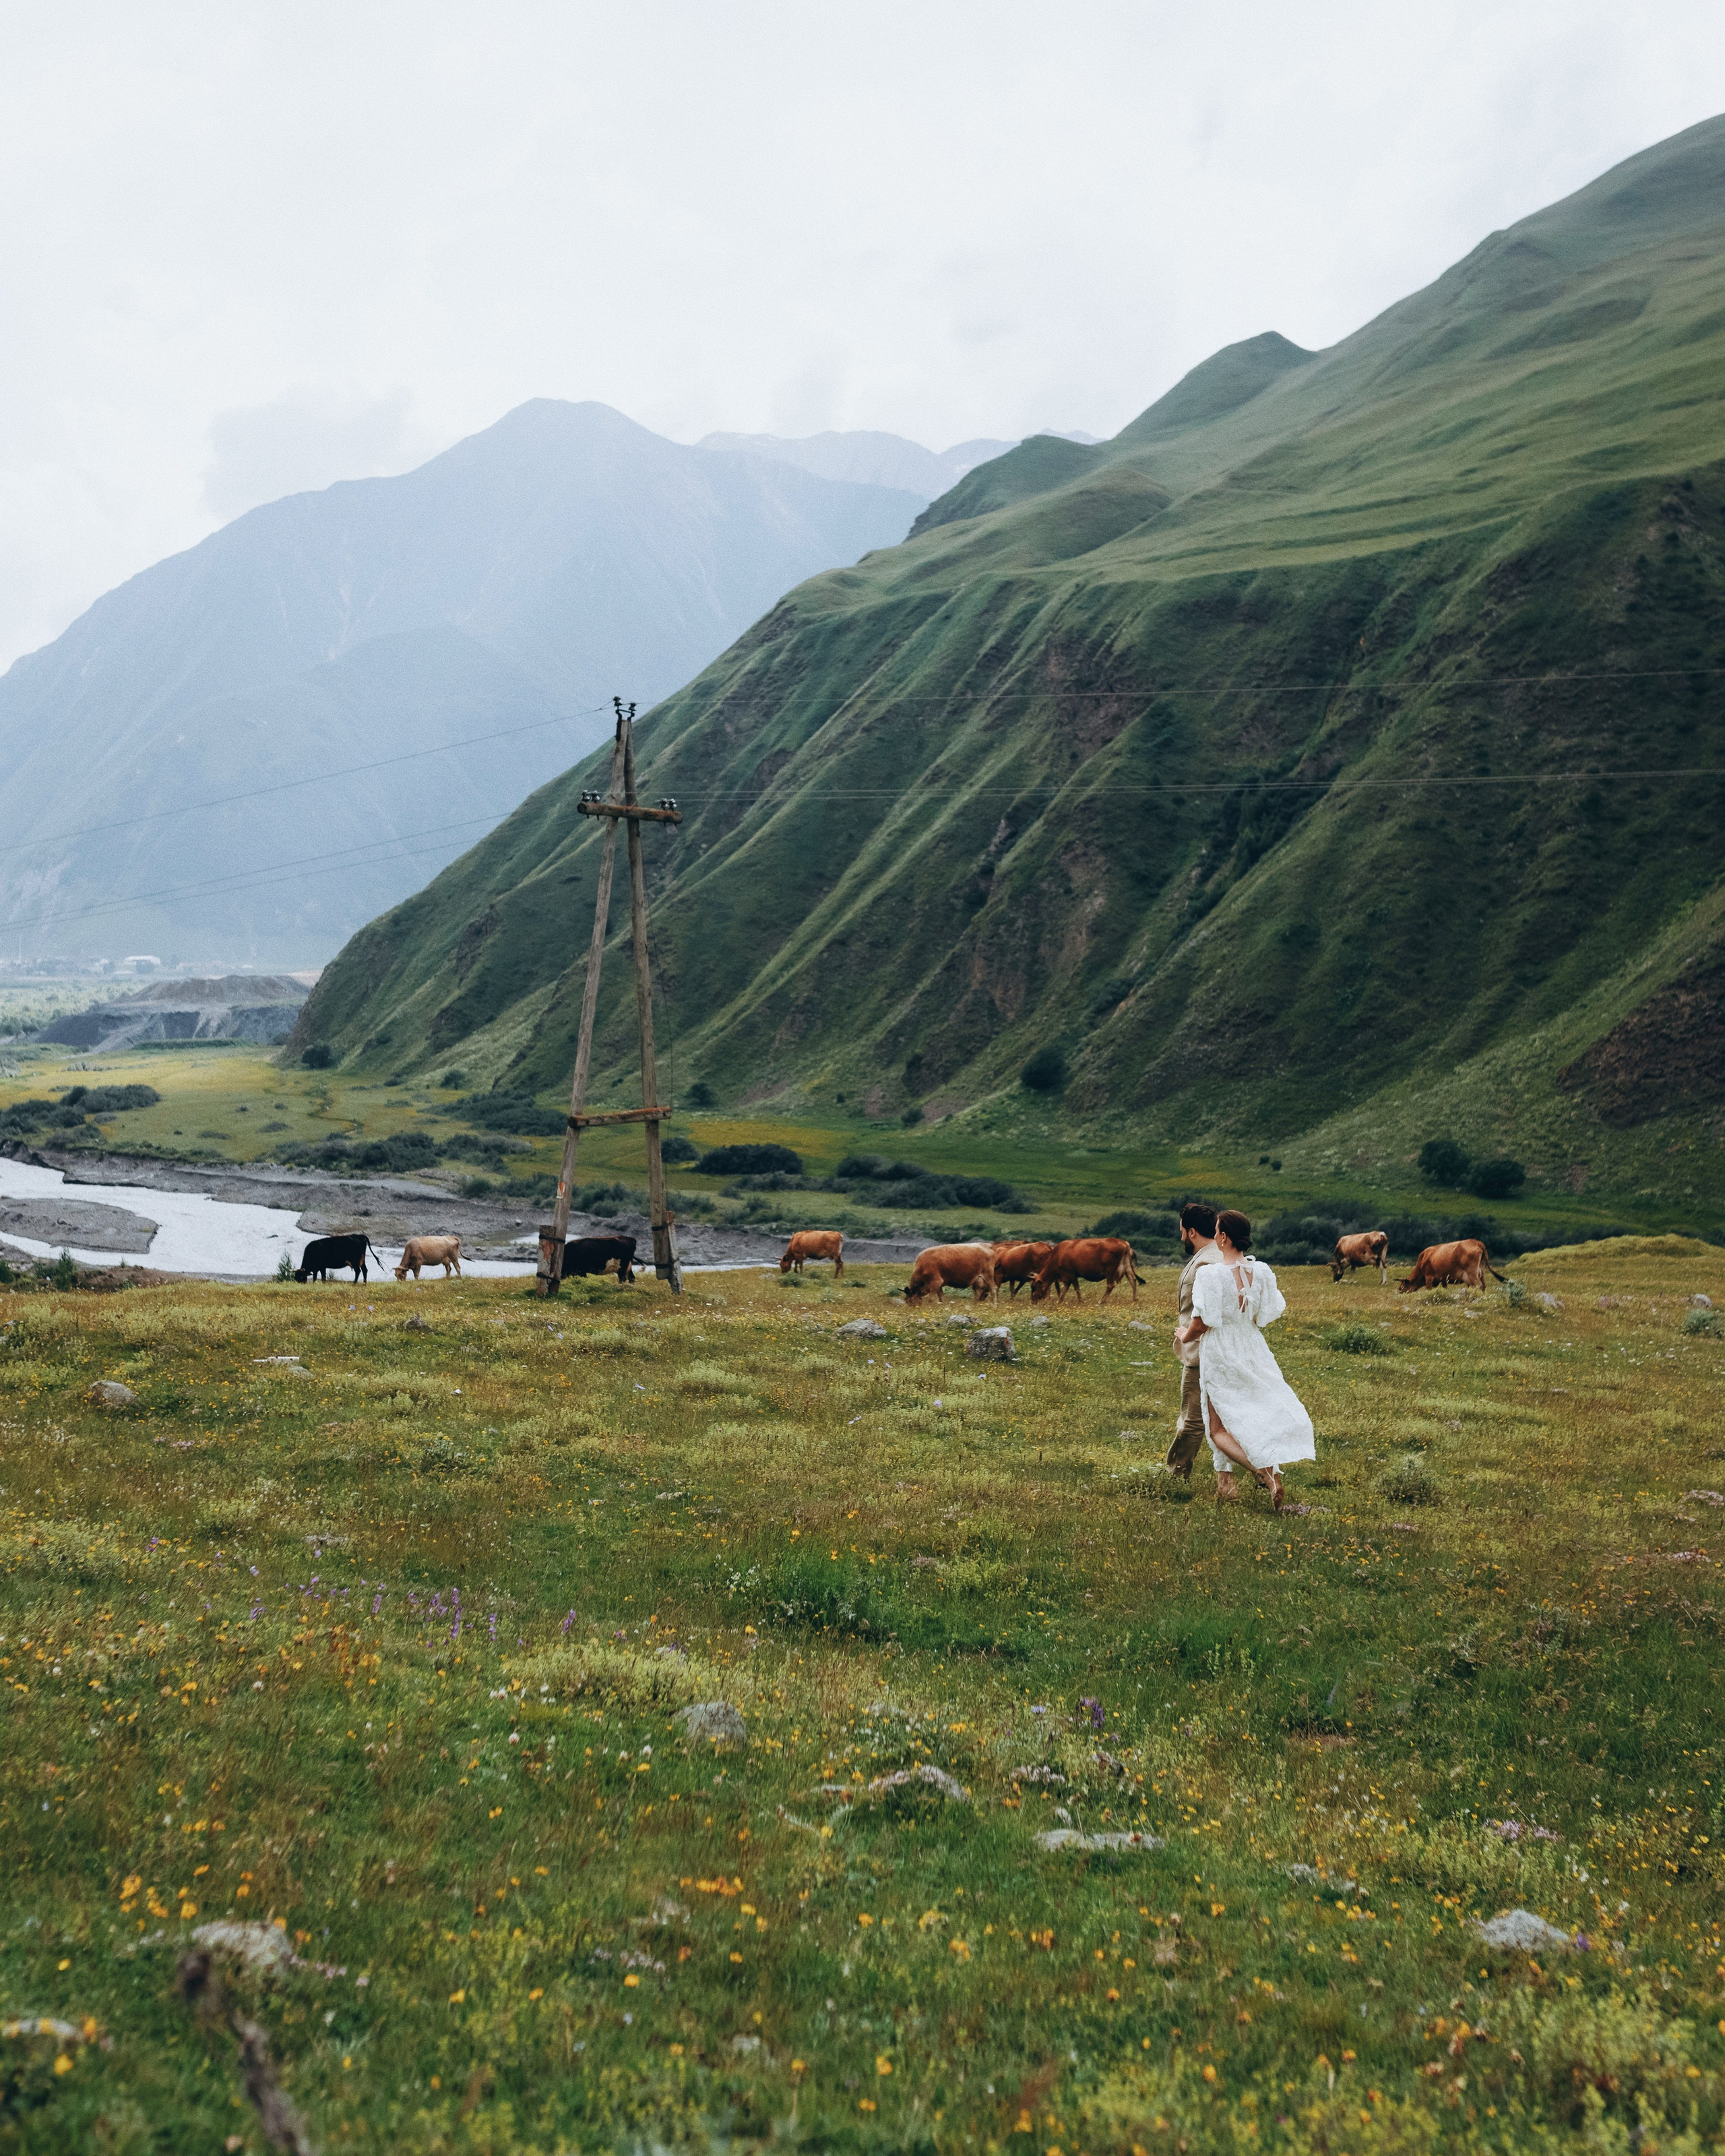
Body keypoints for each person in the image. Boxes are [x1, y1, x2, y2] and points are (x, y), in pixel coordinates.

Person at [1175, 1208, 1314, 1508]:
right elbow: (1266, 1315)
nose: (1213, 1236)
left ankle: (1265, 1474)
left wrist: (1184, 1335)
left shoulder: (1210, 1275)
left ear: (1223, 1237)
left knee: (1217, 1427)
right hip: (1252, 1346)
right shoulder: (1261, 1271)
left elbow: (1203, 1322)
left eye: (1215, 1231)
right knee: (1249, 1412)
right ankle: (1228, 1484)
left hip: (1220, 1348)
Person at [1165, 1201, 1222, 1480]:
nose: (1181, 1237)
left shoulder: (1207, 1263)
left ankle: (1176, 1475)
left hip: (1202, 1353)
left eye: (1181, 1232)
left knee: (1192, 1419)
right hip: (1211, 1350)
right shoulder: (1216, 1255)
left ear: (1190, 1232)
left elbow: (1206, 1314)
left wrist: (1188, 1334)